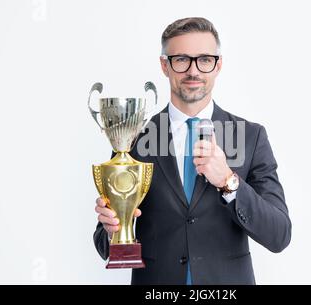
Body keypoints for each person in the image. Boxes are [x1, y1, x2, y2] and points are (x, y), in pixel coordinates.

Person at [93, 17, 291, 285]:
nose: (193, 71)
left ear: (218, 65)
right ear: (165, 66)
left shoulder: (250, 137)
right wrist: (110, 227)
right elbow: (104, 245)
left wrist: (228, 182)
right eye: (181, 59)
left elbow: (279, 235)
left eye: (205, 60)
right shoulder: (135, 137)